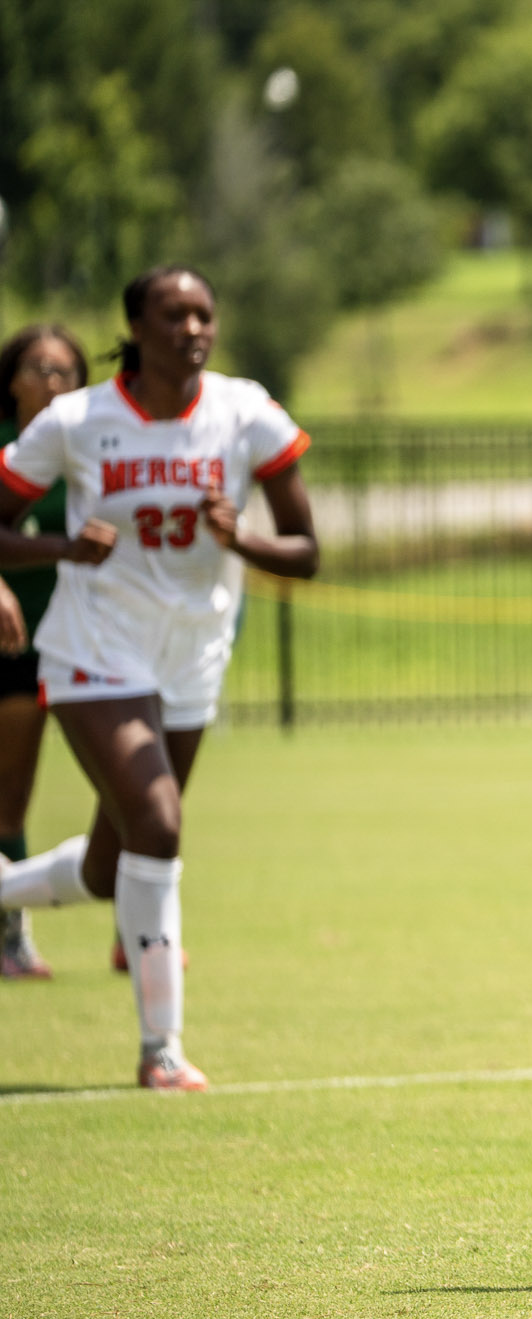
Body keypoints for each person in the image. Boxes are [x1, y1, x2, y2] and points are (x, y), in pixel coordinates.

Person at [0, 266, 319, 1090]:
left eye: (204, 313)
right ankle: (161, 1049)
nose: (193, 328)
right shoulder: (78, 419)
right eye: (173, 315)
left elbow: (307, 552)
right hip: (94, 650)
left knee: (117, 863)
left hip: (191, 655)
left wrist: (243, 540)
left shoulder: (244, 411)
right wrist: (61, 548)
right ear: (136, 326)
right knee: (161, 821)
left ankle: (5, 890)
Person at [0, 325, 88, 979]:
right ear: (13, 380)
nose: (53, 381)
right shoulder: (8, 451)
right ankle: (11, 935)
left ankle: (144, 932)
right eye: (39, 367)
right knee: (11, 794)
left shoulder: (93, 448)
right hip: (19, 643)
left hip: (90, 639)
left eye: (66, 371)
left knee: (135, 794)